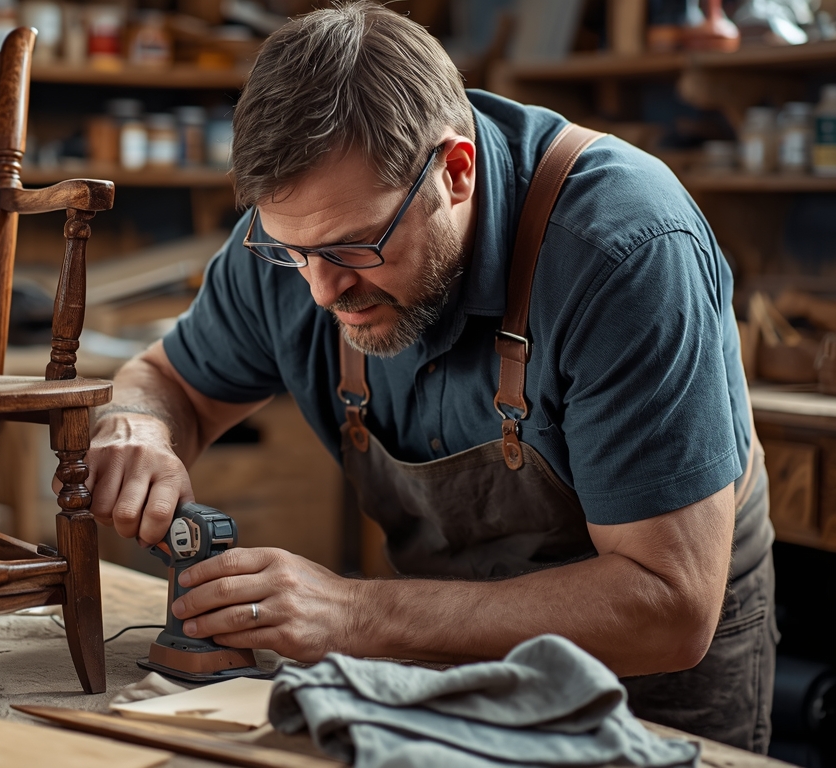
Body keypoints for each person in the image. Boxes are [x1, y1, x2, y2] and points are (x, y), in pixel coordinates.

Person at [83, 0, 775, 753]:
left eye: (354, 249)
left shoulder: (625, 250)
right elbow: (169, 380)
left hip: (641, 692)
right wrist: (139, 426)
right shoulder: (298, 243)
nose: (320, 291)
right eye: (293, 251)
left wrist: (355, 614)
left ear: (455, 172)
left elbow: (667, 606)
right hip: (433, 665)